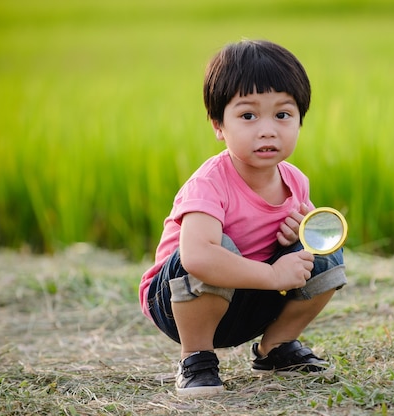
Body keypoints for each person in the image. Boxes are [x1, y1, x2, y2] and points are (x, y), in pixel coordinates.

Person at [139, 39, 347, 397]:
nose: (267, 129)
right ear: (219, 125)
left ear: (300, 120)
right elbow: (197, 257)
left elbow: (306, 245)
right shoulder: (209, 184)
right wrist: (272, 274)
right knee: (215, 247)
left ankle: (275, 349)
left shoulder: (295, 180)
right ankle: (196, 357)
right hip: (178, 303)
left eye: (282, 115)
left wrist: (297, 234)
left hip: (249, 299)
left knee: (323, 252)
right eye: (248, 116)